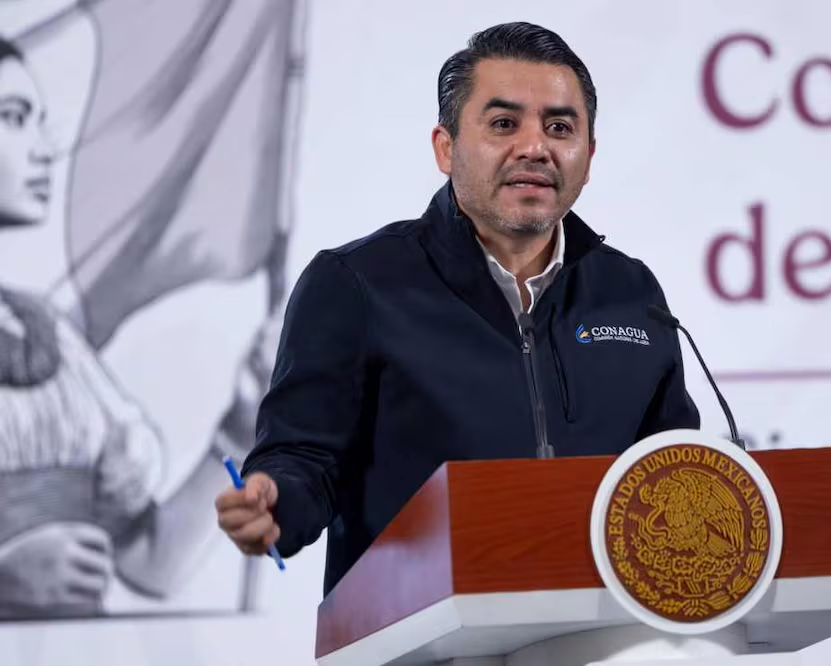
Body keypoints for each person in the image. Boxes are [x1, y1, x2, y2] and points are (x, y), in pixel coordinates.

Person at [219, 22, 700, 596]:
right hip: (415, 626)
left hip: (599, 626)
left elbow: (670, 472)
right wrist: (276, 501)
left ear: (589, 155)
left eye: (559, 127)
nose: (535, 147)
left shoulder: (630, 290)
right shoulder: (358, 283)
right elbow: (304, 458)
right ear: (445, 148)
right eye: (504, 124)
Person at [0, 35, 279, 620]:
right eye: (14, 117)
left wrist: (244, 421)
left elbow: (153, 563)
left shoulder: (48, 335)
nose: (45, 149)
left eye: (40, 121)